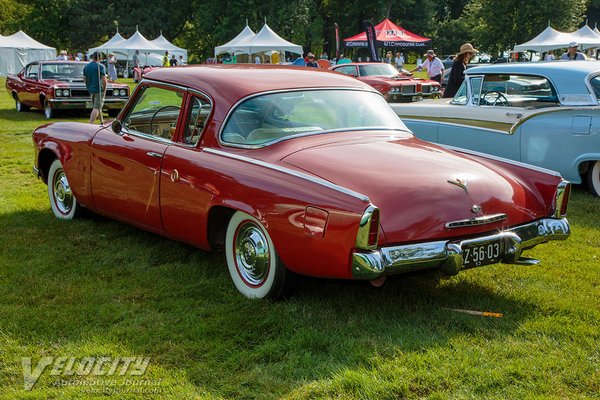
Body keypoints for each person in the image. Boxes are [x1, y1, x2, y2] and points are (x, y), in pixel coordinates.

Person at [83, 52, 107, 124]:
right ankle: (90, 123)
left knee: (97, 106)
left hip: (91, 89)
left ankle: (102, 122)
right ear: (100, 58)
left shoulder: (86, 66)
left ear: (93, 57)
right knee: (96, 107)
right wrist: (105, 89)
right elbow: (104, 79)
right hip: (99, 89)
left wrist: (88, 86)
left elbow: (84, 79)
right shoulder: (101, 66)